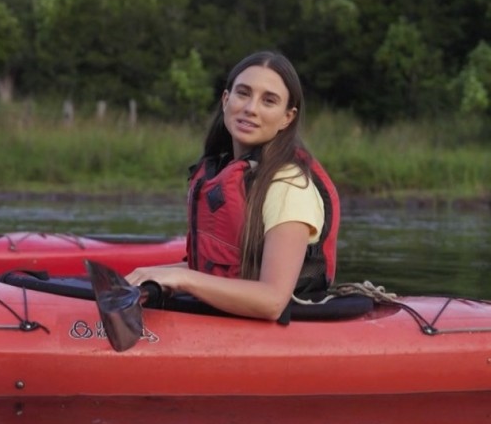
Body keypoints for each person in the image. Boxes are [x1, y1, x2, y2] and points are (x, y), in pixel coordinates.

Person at [126, 50, 340, 322]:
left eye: (268, 100)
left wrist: (182, 278)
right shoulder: (227, 169)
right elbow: (217, 270)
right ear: (226, 100)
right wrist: (151, 276)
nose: (251, 108)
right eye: (243, 93)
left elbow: (273, 300)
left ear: (287, 117)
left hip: (283, 325)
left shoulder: (289, 185)